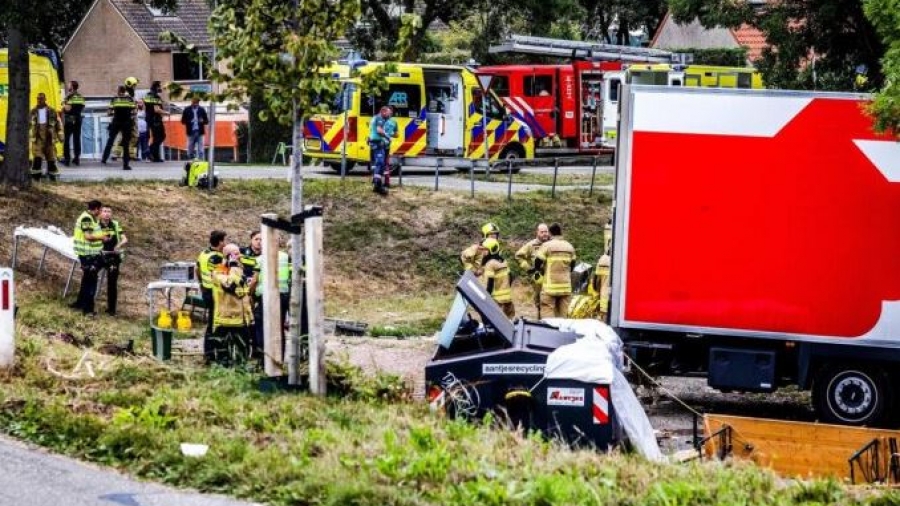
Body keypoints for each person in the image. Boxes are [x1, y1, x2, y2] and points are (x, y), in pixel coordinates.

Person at [209, 243, 255, 364]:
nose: (240, 256)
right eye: (236, 254)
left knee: (243, 350)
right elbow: (231, 285)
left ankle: (241, 369)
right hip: (226, 318)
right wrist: (234, 267)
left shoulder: (239, 269)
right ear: (229, 256)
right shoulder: (219, 271)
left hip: (241, 318)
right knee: (222, 352)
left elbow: (243, 291)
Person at [533, 223, 577, 318]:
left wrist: (539, 272)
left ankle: (549, 331)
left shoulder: (546, 246)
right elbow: (573, 266)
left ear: (550, 233)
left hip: (549, 288)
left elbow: (537, 262)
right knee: (564, 316)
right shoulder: (569, 247)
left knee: (547, 313)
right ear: (561, 233)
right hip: (565, 287)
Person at [70, 200, 105, 316]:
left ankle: (80, 303)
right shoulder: (86, 219)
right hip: (87, 255)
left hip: (92, 253)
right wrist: (102, 238)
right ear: (95, 209)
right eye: (100, 210)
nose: (101, 212)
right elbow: (88, 236)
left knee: (86, 280)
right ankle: (88, 310)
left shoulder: (93, 219)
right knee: (91, 281)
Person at [97, 206, 128, 316]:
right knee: (90, 276)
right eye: (105, 211)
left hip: (113, 256)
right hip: (99, 255)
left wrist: (118, 245)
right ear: (100, 213)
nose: (107, 214)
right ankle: (87, 303)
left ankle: (111, 309)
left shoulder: (115, 224)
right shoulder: (96, 224)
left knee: (112, 282)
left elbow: (124, 238)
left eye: (109, 211)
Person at [515, 223, 550, 318]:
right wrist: (529, 269)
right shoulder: (531, 245)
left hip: (552, 277)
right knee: (539, 301)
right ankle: (540, 320)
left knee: (550, 301)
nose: (545, 234)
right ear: (537, 233)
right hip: (539, 278)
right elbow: (518, 256)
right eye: (542, 232)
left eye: (546, 231)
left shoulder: (552, 244)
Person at [197, 230, 227, 338]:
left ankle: (210, 347)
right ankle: (211, 348)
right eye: (224, 241)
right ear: (220, 242)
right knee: (214, 320)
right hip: (214, 293)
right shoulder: (217, 258)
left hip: (206, 290)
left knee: (212, 318)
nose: (225, 243)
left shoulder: (204, 253)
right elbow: (220, 276)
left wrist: (201, 283)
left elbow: (197, 269)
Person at [28, 92, 63, 181]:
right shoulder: (33, 111)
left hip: (49, 138)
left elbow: (58, 124)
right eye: (38, 99)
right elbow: (27, 124)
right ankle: (36, 178)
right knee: (37, 158)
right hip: (37, 139)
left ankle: (53, 177)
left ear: (45, 99)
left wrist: (60, 135)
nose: (39, 100)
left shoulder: (52, 111)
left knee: (51, 159)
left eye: (41, 99)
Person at [101, 85, 135, 170]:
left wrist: (114, 114)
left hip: (116, 122)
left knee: (111, 140)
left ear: (119, 91)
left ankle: (104, 159)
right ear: (125, 91)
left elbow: (109, 112)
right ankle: (125, 165)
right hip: (127, 123)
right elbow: (134, 111)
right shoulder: (130, 99)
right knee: (126, 143)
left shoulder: (114, 99)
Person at [481, 238, 515, 319]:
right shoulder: (503, 261)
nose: (483, 252)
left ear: (491, 250)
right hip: (508, 298)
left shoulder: (490, 264)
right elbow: (510, 276)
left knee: (495, 321)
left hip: (496, 300)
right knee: (509, 320)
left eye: (485, 249)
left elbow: (490, 282)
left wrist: (487, 296)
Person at [368, 106, 397, 194]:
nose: (389, 115)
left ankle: (377, 183)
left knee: (378, 163)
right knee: (380, 163)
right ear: (383, 112)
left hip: (375, 142)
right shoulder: (379, 118)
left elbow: (371, 130)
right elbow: (379, 130)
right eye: (388, 113)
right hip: (377, 143)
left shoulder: (375, 118)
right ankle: (377, 184)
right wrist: (388, 137)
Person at [61, 81, 86, 167]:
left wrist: (64, 105)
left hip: (70, 120)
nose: (68, 86)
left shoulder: (69, 97)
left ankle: (67, 159)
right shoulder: (81, 97)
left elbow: (67, 109)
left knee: (67, 139)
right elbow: (83, 107)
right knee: (76, 139)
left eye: (69, 84)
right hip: (78, 119)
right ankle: (76, 159)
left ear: (71, 86)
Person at [143, 81, 168, 162]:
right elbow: (157, 110)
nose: (160, 88)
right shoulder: (155, 96)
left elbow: (147, 108)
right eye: (159, 87)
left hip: (150, 119)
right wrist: (167, 113)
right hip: (155, 120)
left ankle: (155, 157)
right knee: (162, 136)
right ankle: (148, 151)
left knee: (156, 138)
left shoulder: (148, 95)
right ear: (156, 87)